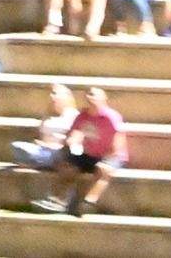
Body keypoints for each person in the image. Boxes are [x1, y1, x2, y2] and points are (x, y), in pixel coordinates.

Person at [43, 86, 128, 216]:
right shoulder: (82, 116)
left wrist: (108, 159)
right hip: (89, 153)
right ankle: (58, 200)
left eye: (94, 95)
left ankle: (88, 202)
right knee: (68, 168)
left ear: (104, 99)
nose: (90, 98)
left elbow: (118, 145)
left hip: (110, 155)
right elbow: (72, 136)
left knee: (103, 170)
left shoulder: (112, 117)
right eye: (88, 95)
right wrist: (72, 141)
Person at [13, 83, 78, 210]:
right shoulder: (47, 115)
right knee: (17, 146)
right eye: (51, 93)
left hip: (61, 151)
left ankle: (57, 200)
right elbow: (39, 136)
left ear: (66, 97)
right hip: (43, 150)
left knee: (64, 158)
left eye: (55, 93)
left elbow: (73, 141)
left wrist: (53, 145)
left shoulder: (74, 116)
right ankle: (40, 162)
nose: (51, 96)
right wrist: (39, 143)